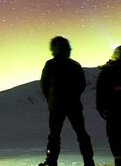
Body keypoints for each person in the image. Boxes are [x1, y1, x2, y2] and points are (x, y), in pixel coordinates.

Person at [39, 36, 95, 166]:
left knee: (55, 135)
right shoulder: (74, 65)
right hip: (72, 104)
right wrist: (73, 96)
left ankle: (51, 161)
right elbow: (81, 84)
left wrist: (51, 99)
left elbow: (44, 85)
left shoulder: (51, 64)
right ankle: (88, 161)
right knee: (81, 133)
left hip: (58, 105)